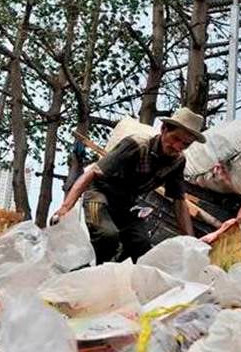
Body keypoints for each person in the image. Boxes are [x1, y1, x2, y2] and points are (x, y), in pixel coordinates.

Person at [54, 107, 206, 264]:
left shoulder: (177, 162)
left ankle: (117, 273)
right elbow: (92, 173)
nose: (178, 147)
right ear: (164, 129)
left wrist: (191, 240)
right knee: (107, 236)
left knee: (141, 245)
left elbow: (179, 202)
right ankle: (95, 274)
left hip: (125, 204)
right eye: (175, 139)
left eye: (185, 144)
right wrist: (66, 207)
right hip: (100, 193)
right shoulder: (137, 145)